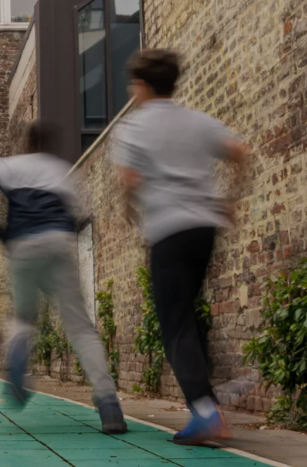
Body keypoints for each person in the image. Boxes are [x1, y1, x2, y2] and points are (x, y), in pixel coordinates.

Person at [113, 49, 248, 445]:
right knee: (188, 314)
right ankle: (208, 405)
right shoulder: (197, 120)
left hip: (168, 229)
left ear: (141, 86)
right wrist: (231, 199)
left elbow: (129, 179)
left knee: (175, 323)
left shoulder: (133, 128)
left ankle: (205, 413)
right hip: (203, 228)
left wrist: (128, 208)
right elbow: (241, 153)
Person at [0, 121, 127, 434]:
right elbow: (79, 215)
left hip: (22, 243)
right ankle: (109, 404)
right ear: (49, 145)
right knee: (80, 326)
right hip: (58, 240)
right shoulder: (61, 171)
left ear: (27, 143)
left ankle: (19, 352)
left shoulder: (8, 165)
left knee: (23, 317)